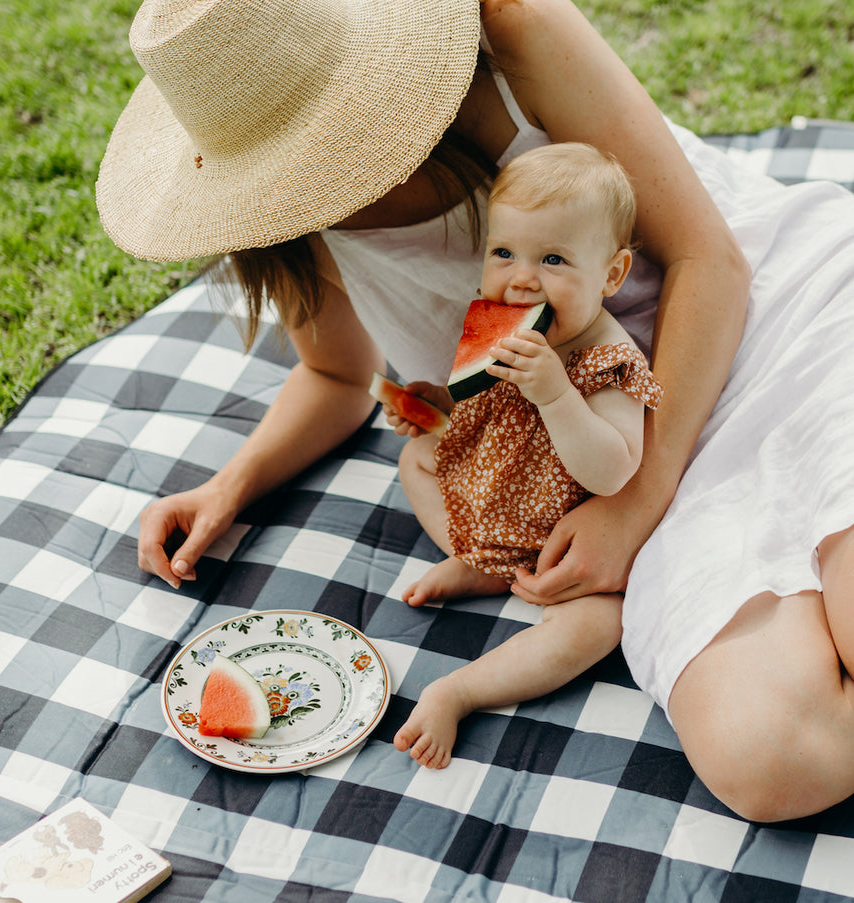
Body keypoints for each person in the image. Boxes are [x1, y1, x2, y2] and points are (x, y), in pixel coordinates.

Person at [96, 0, 854, 821]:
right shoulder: (280, 215)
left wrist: (637, 502)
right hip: (599, 463)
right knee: (777, 758)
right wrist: (228, 485)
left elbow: (712, 260)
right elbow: (338, 377)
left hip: (762, 334)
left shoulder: (509, 32)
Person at [389, 142, 663, 767]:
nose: (522, 278)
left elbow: (614, 470)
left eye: (554, 259)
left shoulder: (612, 359)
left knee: (599, 626)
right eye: (504, 253)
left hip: (570, 547)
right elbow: (475, 407)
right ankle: (483, 560)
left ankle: (461, 691)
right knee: (416, 460)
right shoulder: (506, 325)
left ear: (612, 275)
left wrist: (557, 395)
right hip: (504, 499)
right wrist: (433, 405)